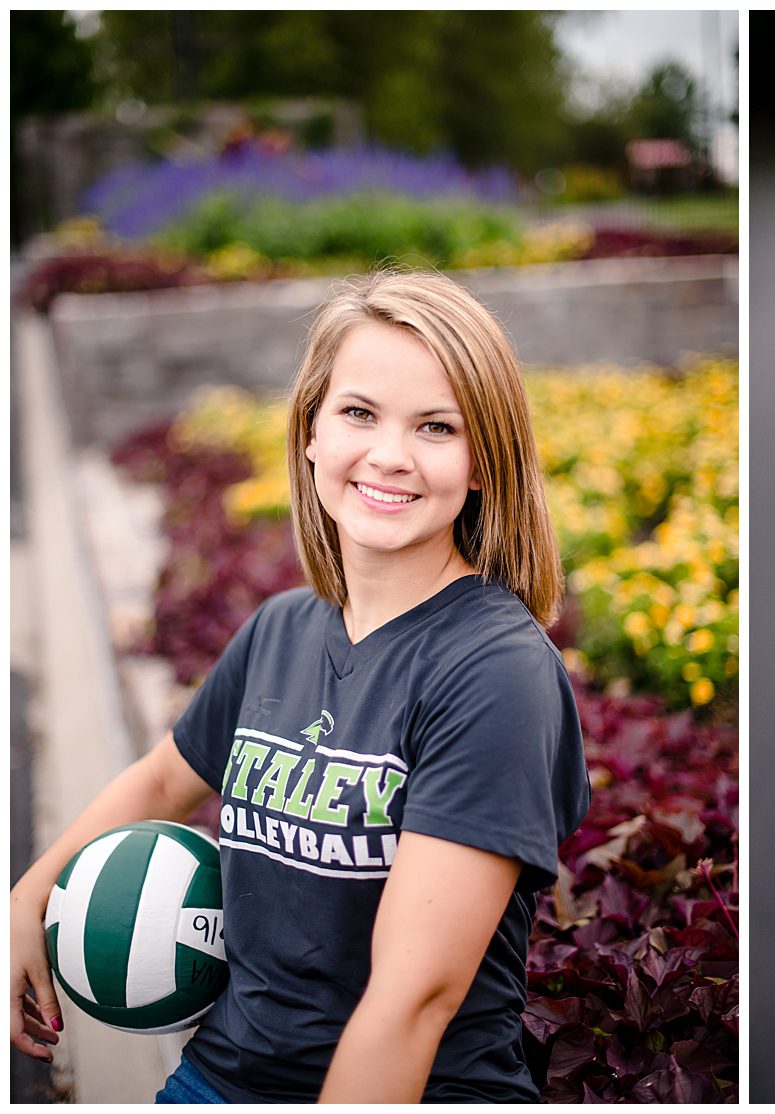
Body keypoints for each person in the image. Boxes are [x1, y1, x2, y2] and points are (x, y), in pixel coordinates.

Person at [9, 269, 590, 1102]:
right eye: (358, 413)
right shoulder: (283, 626)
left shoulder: (495, 670)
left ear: (484, 465)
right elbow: (168, 778)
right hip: (220, 1075)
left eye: (436, 427)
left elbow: (414, 998)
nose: (388, 454)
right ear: (311, 431)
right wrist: (32, 893)